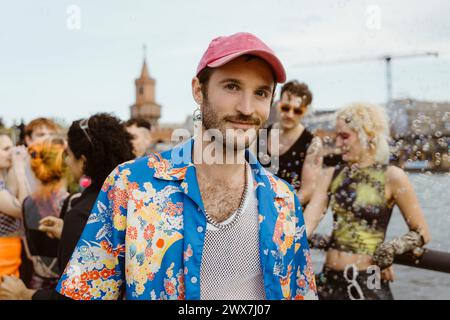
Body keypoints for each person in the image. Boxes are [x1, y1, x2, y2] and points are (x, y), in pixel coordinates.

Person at [36, 32, 319, 300]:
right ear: (199, 89)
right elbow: (87, 290)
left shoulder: (284, 201)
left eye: (260, 92)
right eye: (232, 86)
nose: (246, 108)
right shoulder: (131, 185)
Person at [303, 102, 431, 300]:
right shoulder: (329, 175)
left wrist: (388, 250)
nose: (337, 143)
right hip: (327, 281)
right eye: (337, 135)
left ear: (369, 135)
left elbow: (421, 232)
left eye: (344, 136)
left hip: (368, 283)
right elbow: (307, 224)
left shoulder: (392, 176)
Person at [0, 113, 134, 300]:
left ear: (84, 160)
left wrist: (24, 294)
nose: (68, 162)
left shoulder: (81, 213)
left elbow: (74, 294)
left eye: (70, 155)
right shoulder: (132, 197)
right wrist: (68, 231)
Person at [256, 81, 322, 206]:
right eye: (285, 108)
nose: (290, 115)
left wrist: (279, 208)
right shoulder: (262, 134)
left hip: (289, 215)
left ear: (305, 111)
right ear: (278, 104)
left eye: (297, 111)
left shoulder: (312, 144)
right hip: (258, 208)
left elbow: (307, 191)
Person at [21, 138, 69, 290]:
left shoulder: (26, 203)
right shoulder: (72, 202)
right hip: (63, 287)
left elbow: (29, 253)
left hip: (36, 286)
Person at [0, 134, 28, 279]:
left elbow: (12, 193)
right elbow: (24, 210)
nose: (11, 152)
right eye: (6, 149)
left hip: (10, 257)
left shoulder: (3, 182)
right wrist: (19, 170)